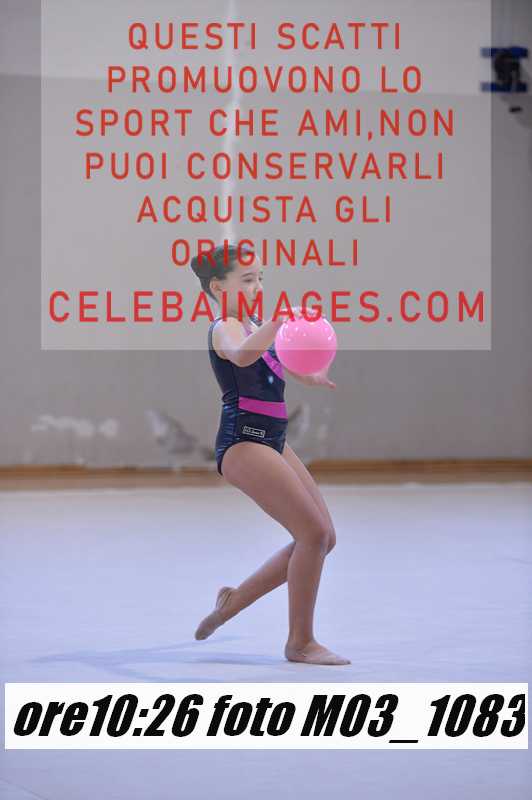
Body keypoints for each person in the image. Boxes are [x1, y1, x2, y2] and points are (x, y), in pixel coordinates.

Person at [190, 244, 350, 665]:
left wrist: (312, 374)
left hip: (273, 438)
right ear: (217, 287)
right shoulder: (225, 327)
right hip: (243, 441)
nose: (258, 286)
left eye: (260, 277)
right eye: (247, 279)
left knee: (324, 538)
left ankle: (233, 602)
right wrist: (279, 323)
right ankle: (300, 642)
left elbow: (282, 366)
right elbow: (243, 355)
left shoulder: (257, 325)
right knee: (312, 535)